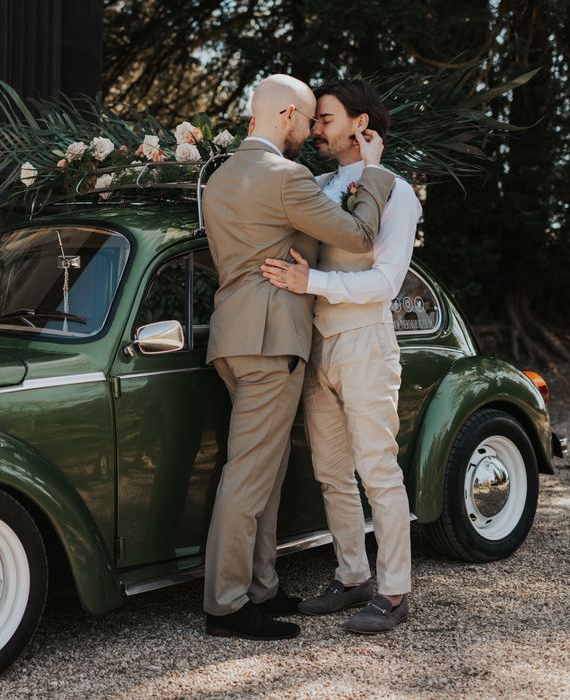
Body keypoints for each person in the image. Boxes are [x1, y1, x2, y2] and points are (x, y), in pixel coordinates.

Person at [203, 73, 395, 641]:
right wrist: (376, 172)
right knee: (249, 472)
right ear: (285, 115)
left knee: (266, 467)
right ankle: (227, 605)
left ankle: (261, 587)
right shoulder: (287, 179)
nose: (311, 131)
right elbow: (359, 237)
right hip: (272, 340)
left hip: (233, 339)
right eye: (308, 119)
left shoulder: (218, 179)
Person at [261, 78, 421, 634]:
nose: (317, 130)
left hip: (364, 341)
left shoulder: (398, 192)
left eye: (326, 119)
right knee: (330, 472)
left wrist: (313, 283)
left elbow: (385, 282)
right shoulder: (318, 184)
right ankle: (353, 575)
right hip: (316, 342)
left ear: (361, 125)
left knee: (377, 469)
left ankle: (395, 590)